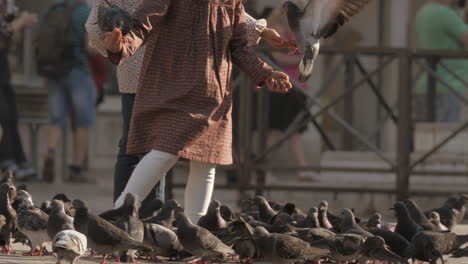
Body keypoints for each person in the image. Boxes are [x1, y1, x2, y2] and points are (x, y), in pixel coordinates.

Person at [86, 0, 294, 203]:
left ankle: (194, 230)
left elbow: (238, 45)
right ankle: (122, 210)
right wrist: (120, 47)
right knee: (162, 153)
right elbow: (141, 26)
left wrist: (267, 73)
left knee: (206, 164)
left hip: (214, 94)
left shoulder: (231, 2)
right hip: (174, 87)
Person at [41, 0, 96, 183]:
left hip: (54, 72)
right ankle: (76, 168)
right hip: (78, 70)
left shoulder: (53, 10)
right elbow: (90, 47)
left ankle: (49, 153)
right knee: (82, 121)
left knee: (56, 119)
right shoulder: (85, 12)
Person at [264, 7, 319, 182]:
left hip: (296, 87)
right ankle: (264, 171)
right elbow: (278, 58)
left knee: (294, 131)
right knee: (276, 132)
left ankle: (301, 169)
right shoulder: (276, 33)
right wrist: (302, 59)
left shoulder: (294, 34)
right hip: (281, 88)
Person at [0, 1, 37, 179]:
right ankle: (8, 160)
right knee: (4, 113)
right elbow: (5, 29)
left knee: (11, 113)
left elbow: (9, 17)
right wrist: (19, 23)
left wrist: (19, 18)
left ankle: (17, 159)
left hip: (2, 61)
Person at [415, 0, 468, 122]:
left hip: (430, 83)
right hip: (446, 85)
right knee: (444, 136)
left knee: (427, 137)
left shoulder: (424, 11)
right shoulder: (444, 13)